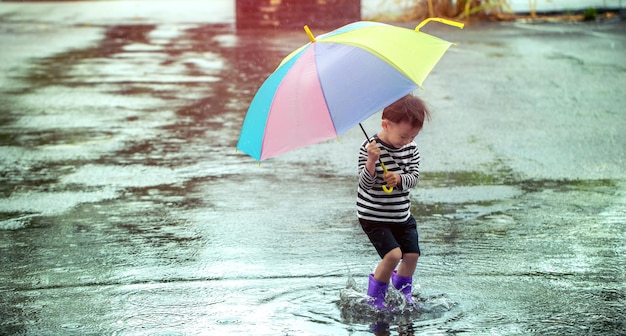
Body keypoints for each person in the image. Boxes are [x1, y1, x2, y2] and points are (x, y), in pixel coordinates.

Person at [357, 94, 430, 309]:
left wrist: (399, 179)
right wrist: (371, 161)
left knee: (412, 255)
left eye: (412, 136)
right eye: (403, 136)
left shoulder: (411, 148)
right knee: (393, 255)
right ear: (386, 125)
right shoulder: (369, 148)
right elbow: (365, 185)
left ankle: (402, 295)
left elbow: (414, 178)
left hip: (401, 215)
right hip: (374, 216)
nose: (407, 141)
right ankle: (375, 298)